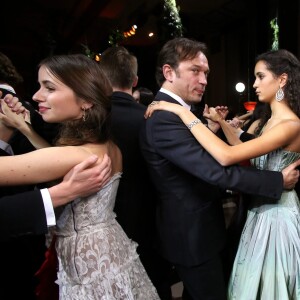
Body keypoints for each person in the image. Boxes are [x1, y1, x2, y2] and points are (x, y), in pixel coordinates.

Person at [139, 37, 300, 300]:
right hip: (194, 235)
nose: (204, 80)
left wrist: (197, 121)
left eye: (206, 73)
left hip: (268, 218)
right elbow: (219, 166)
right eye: (195, 71)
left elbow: (226, 155)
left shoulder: (286, 123)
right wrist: (276, 181)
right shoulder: (164, 118)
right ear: (169, 72)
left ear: (281, 80)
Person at [0, 54, 159, 299]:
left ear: (85, 100)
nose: (35, 96)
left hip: (89, 265)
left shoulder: (75, 154)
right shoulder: (106, 145)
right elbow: (54, 158)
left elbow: (54, 160)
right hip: (109, 249)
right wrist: (23, 127)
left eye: (49, 88)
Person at [99, 45, 173, 299]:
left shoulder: (93, 121)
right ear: (134, 81)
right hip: (151, 222)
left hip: (106, 227)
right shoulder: (151, 118)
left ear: (101, 78)